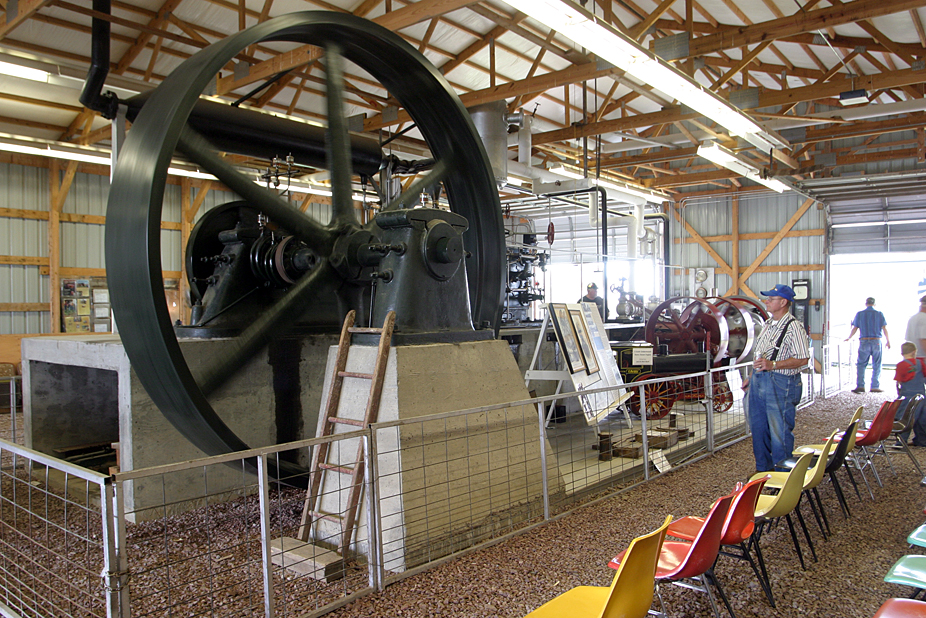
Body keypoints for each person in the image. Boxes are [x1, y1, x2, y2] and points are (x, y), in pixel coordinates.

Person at [744, 284, 811, 473]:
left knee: (779, 431)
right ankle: (763, 472)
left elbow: (803, 358)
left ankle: (783, 475)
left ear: (783, 302)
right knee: (759, 430)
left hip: (781, 383)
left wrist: (773, 365)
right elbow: (761, 355)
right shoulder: (767, 325)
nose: (766, 301)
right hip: (760, 381)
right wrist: (752, 376)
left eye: (771, 299)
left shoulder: (793, 327)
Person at [845, 297, 890, 393]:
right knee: (877, 364)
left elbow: (855, 328)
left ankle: (860, 386)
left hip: (864, 341)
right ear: (874, 304)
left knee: (861, 364)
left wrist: (849, 337)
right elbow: (884, 328)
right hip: (876, 341)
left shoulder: (860, 314)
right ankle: (875, 386)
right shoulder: (879, 314)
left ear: (866, 304)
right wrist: (888, 341)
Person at [894, 341, 926, 446]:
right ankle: (922, 440)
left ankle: (901, 441)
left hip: (907, 395)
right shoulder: (920, 363)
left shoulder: (901, 365)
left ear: (902, 353)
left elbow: (899, 381)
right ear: (914, 352)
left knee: (906, 417)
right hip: (921, 394)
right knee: (922, 418)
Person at [906, 296, 926, 360]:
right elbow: (923, 340)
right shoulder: (924, 319)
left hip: (912, 357)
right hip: (922, 358)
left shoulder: (913, 318)